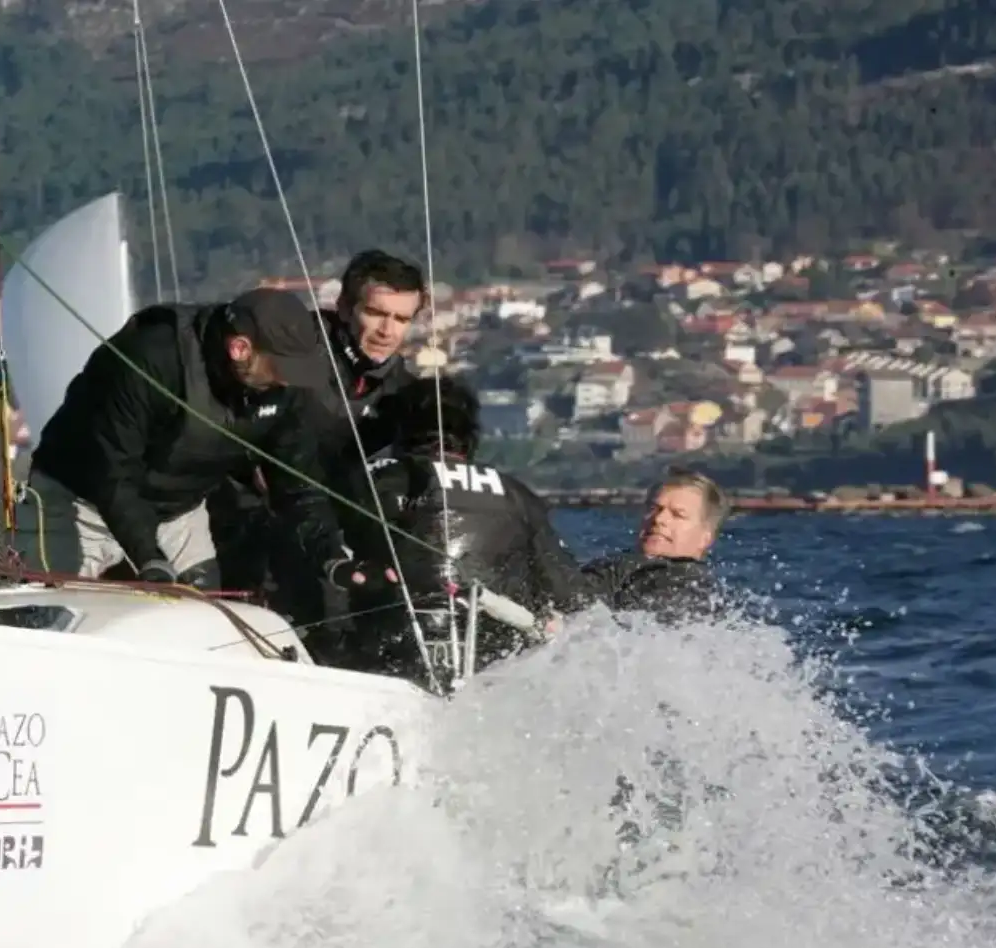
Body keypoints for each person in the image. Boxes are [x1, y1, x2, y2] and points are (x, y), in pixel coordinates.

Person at [281, 374, 593, 685]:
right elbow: (573, 595)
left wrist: (337, 564)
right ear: (470, 436)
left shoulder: (369, 479)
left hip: (387, 663)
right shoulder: (518, 495)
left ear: (400, 432)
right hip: (490, 675)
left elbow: (306, 510)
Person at [17, 287, 335, 586]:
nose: (287, 381)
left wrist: (332, 557)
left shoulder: (285, 388)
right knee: (49, 620)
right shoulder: (153, 357)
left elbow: (299, 482)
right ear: (239, 348)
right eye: (280, 369)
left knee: (206, 624)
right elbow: (113, 472)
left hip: (177, 514)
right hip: (79, 505)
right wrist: (149, 557)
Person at [210, 251, 430, 614]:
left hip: (323, 531)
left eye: (401, 318)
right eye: (374, 313)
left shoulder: (401, 392)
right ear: (344, 307)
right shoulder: (292, 351)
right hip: (242, 515)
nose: (387, 331)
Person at [581, 469, 729, 623]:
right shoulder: (616, 566)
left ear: (704, 538)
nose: (659, 519)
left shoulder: (693, 589)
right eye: (654, 509)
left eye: (678, 515)